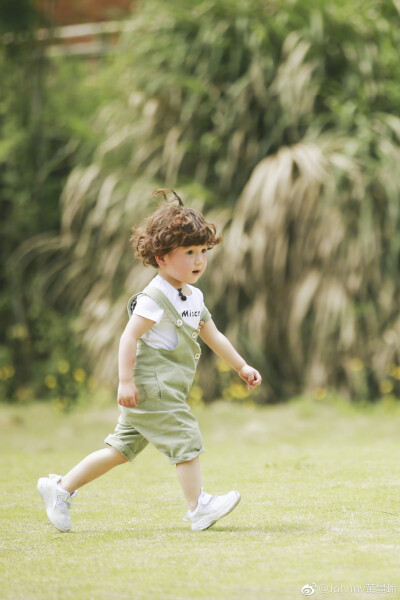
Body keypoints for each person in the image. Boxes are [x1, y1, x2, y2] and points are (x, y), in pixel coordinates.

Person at [37, 189, 262, 532]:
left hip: (163, 389)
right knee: (184, 434)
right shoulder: (154, 297)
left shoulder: (193, 295)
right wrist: (125, 381)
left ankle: (60, 488)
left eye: (203, 251)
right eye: (189, 252)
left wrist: (241, 366)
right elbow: (129, 337)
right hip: (152, 387)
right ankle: (198, 506)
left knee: (120, 450)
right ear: (161, 258)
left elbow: (212, 334)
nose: (199, 260)